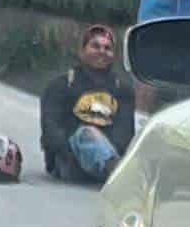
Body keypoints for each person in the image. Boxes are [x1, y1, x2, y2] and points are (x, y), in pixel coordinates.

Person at [40, 25, 136, 183]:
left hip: (110, 154)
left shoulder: (123, 90)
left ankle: (112, 168)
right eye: (95, 46)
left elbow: (125, 134)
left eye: (107, 48)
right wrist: (72, 154)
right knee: (87, 134)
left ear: (113, 56)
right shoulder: (60, 85)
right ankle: (120, 175)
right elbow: (51, 132)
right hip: (68, 162)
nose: (102, 52)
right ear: (82, 51)